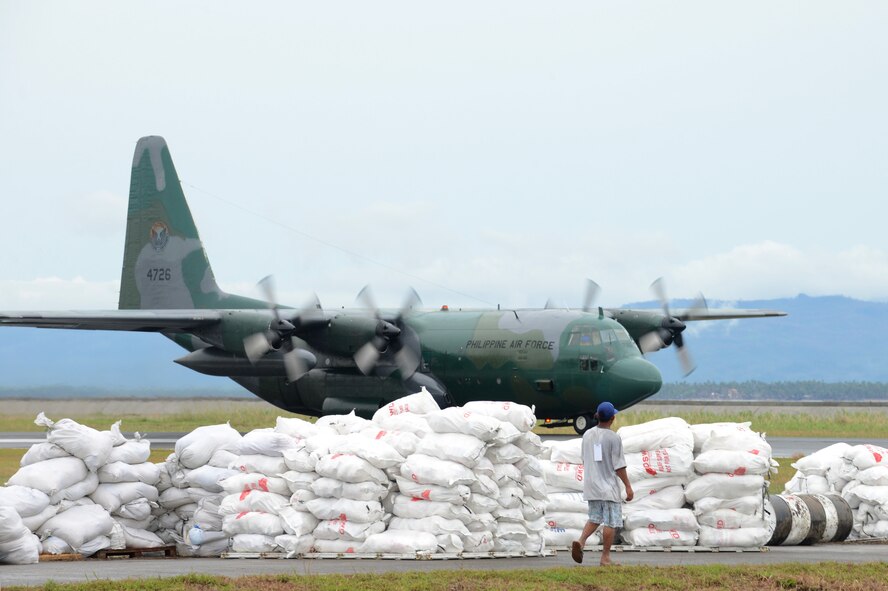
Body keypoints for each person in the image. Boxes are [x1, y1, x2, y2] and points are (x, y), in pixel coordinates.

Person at [572, 401, 633, 566]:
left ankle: (581, 541)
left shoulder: (587, 435)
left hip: (591, 484)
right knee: (611, 521)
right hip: (608, 487)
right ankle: (605, 558)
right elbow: (619, 466)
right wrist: (627, 486)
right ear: (612, 418)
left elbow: (584, 459)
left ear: (597, 416)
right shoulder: (614, 438)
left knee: (594, 518)